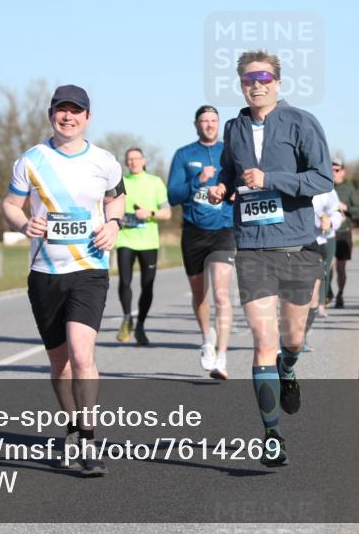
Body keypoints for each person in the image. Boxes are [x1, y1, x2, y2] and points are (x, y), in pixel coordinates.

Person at [207, 50, 332, 467]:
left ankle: (290, 367)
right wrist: (221, 187)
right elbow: (229, 170)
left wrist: (271, 180)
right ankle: (272, 435)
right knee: (262, 340)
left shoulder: (302, 123)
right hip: (253, 250)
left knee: (292, 339)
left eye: (263, 77)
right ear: (240, 84)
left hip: (297, 248)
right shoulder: (234, 128)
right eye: (247, 79)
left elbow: (321, 178)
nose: (255, 84)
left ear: (278, 82)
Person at [2, 84, 124, 476]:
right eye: (61, 111)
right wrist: (25, 223)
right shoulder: (31, 161)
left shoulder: (104, 161)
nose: (67, 117)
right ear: (51, 115)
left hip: (89, 270)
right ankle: (72, 423)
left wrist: (115, 224)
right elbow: (9, 204)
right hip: (45, 273)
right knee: (60, 365)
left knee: (81, 353)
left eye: (76, 111)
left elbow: (115, 197)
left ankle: (88, 438)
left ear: (88, 118)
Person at [167, 105, 236, 379]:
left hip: (224, 230)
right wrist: (198, 180)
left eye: (213, 120)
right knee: (200, 294)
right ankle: (207, 338)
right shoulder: (184, 155)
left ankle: (221, 357)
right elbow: (172, 195)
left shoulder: (229, 153)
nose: (209, 125)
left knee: (222, 294)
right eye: (204, 121)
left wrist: (232, 193)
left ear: (218, 123)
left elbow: (243, 183)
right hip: (194, 231)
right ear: (196, 124)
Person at [114, 147, 172, 345]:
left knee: (147, 286)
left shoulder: (155, 182)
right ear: (125, 162)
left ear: (144, 160)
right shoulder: (121, 182)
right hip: (125, 239)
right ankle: (127, 318)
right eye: (129, 159)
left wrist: (149, 213)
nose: (133, 162)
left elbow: (167, 212)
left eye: (136, 158)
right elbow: (110, 205)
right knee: (124, 281)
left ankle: (140, 325)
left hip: (148, 241)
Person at [326, 158, 359, 309]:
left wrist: (345, 208)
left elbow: (358, 211)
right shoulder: (324, 187)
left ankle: (340, 293)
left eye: (337, 170)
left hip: (343, 232)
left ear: (343, 172)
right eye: (331, 169)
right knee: (327, 266)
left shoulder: (349, 189)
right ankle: (327, 294)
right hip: (327, 232)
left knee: (341, 268)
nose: (334, 172)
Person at [310, 188, 343, 321]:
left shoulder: (324, 187)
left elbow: (336, 211)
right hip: (292, 240)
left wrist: (330, 221)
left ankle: (320, 304)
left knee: (322, 272)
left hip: (319, 238)